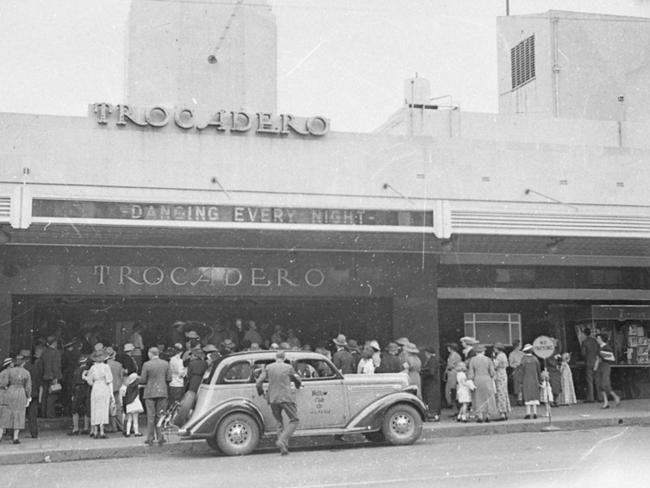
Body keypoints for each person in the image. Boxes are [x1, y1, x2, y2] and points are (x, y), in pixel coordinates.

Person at [255, 350, 302, 455]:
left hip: (273, 398)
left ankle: (283, 448)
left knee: (279, 421)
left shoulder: (268, 367)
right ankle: (282, 440)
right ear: (284, 358)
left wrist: (261, 392)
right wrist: (298, 385)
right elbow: (297, 379)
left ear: (276, 357)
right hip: (286, 397)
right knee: (294, 420)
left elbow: (258, 382)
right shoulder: (288, 367)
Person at [140, 347, 171, 446]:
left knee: (150, 416)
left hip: (149, 392)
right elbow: (169, 378)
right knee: (161, 415)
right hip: (162, 391)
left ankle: (150, 438)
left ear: (150, 354)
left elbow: (143, 380)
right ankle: (161, 437)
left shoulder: (146, 364)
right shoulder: (166, 364)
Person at [0, 354, 32, 444]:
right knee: (19, 414)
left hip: (10, 391)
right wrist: (28, 397)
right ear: (23, 363)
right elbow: (28, 387)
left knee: (6, 414)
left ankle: (0, 435)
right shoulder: (26, 372)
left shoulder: (9, 371)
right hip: (21, 392)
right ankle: (15, 437)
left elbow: (4, 383)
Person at [85, 349, 113, 439]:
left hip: (96, 387)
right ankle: (102, 431)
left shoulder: (92, 368)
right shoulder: (106, 367)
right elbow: (109, 380)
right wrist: (112, 394)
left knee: (95, 408)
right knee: (103, 409)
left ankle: (95, 431)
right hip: (104, 387)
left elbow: (90, 381)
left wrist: (85, 377)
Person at [467, 344, 496, 422]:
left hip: (477, 379)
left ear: (476, 352)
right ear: (483, 352)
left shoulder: (473, 360)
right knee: (488, 397)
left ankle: (480, 416)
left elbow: (471, 372)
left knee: (478, 397)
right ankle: (487, 416)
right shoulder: (488, 359)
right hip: (487, 379)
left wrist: (470, 380)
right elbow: (492, 372)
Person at [594, 333, 621, 409]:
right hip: (600, 366)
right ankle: (606, 402)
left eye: (598, 338)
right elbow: (597, 358)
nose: (597, 340)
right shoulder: (598, 347)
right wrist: (596, 367)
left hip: (605, 366)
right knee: (600, 384)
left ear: (602, 339)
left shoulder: (607, 347)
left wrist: (602, 356)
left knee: (604, 383)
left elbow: (612, 358)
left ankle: (615, 397)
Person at [68, 355, 91, 435]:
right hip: (86, 389)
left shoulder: (77, 370)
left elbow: (73, 383)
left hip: (78, 390)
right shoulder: (88, 370)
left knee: (74, 409)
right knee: (87, 409)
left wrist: (72, 393)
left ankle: (76, 428)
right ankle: (86, 427)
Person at [21, 349, 41, 438]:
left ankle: (13, 433)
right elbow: (38, 380)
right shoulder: (35, 367)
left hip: (23, 393)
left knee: (18, 413)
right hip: (34, 392)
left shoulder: (22, 369)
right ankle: (34, 432)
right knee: (32, 414)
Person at [41, 335, 62, 418]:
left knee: (44, 395)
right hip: (53, 377)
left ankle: (43, 413)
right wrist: (56, 377)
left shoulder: (44, 352)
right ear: (54, 343)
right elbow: (56, 366)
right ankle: (50, 414)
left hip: (45, 376)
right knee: (52, 397)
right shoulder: (56, 352)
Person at [519, 344, 541, 419]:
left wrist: (520, 380)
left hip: (526, 379)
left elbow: (521, 371)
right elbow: (538, 370)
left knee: (527, 395)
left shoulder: (523, 359)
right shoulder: (535, 359)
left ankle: (528, 413)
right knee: (534, 395)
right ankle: (535, 413)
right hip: (534, 379)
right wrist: (540, 379)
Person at [106, 347, 124, 433]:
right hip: (116, 387)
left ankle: (112, 426)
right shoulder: (119, 364)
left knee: (108, 408)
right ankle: (120, 425)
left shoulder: (105, 365)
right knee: (118, 407)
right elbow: (121, 377)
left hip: (106, 388)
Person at [421, 345, 441, 422]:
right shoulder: (433, 359)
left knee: (431, 398)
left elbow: (431, 372)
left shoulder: (432, 360)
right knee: (432, 398)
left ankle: (434, 415)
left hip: (431, 382)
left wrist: (423, 372)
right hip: (432, 382)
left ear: (428, 352)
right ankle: (434, 414)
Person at [493, 343, 511, 421]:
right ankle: (505, 411)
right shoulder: (504, 355)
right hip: (504, 374)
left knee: (500, 393)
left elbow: (495, 365)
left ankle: (502, 412)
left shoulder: (499, 356)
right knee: (504, 392)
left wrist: (493, 358)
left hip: (499, 374)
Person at [581, 328, 599, 403]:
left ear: (584, 334)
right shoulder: (595, 341)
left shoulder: (585, 342)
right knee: (597, 380)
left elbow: (583, 353)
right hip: (596, 362)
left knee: (589, 381)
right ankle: (600, 397)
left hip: (588, 362)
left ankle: (591, 398)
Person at [123, 373, 144, 437]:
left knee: (129, 419)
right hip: (135, 404)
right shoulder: (136, 386)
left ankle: (127, 432)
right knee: (135, 419)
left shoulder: (128, 387)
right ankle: (136, 432)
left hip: (129, 405)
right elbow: (142, 384)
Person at [443, 343, 462, 413]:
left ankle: (455, 408)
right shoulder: (452, 355)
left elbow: (450, 365)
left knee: (452, 390)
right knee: (449, 391)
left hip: (453, 373)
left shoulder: (455, 355)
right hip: (450, 374)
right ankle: (454, 407)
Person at [508, 340, 524, 406]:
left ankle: (524, 399)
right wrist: (517, 365)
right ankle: (519, 399)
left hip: (523, 370)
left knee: (523, 384)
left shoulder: (523, 353)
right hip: (516, 370)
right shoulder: (512, 354)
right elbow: (510, 364)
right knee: (517, 385)